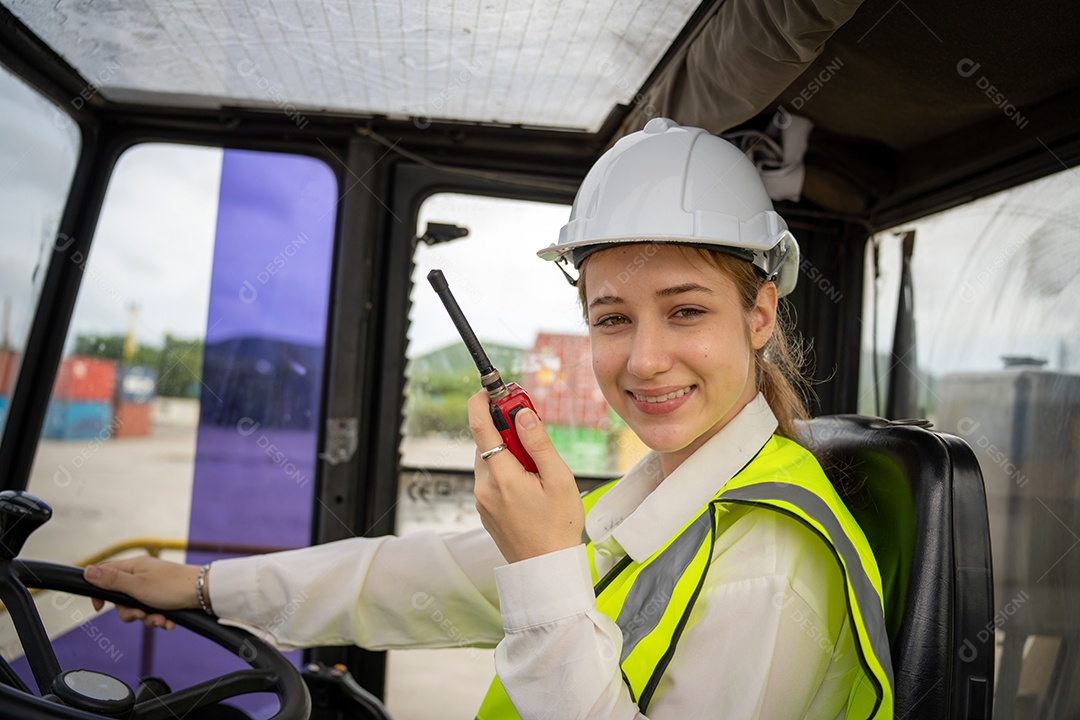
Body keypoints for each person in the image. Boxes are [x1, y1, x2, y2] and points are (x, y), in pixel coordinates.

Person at [85, 118, 893, 719]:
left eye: (685, 311)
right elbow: (418, 580)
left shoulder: (769, 559)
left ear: (759, 317)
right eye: (611, 318)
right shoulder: (659, 502)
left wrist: (543, 569)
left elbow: (530, 589)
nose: (644, 359)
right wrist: (204, 586)